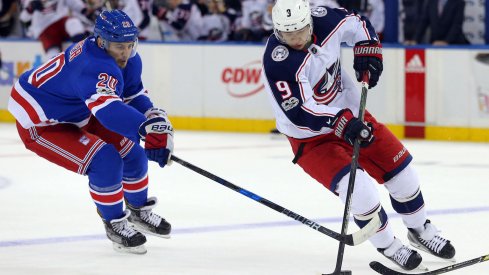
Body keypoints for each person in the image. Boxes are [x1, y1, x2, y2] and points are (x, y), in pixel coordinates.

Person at [262, 0, 455, 271]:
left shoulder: (326, 18)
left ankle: (420, 229)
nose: (295, 40)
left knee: (403, 172)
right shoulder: (278, 63)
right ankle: (389, 245)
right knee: (361, 191)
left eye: (300, 32)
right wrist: (341, 122)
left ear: (310, 22)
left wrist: (368, 49)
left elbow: (359, 25)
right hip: (311, 139)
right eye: (287, 35)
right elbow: (300, 113)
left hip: (354, 116)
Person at [8, 9, 173, 254]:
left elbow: (134, 94)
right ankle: (115, 223)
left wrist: (153, 117)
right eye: (119, 46)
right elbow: (109, 112)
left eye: (130, 45)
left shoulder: (125, 58)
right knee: (105, 161)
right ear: (102, 42)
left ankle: (138, 211)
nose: (126, 53)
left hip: (79, 110)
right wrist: (145, 129)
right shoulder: (92, 65)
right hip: (41, 122)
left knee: (135, 155)